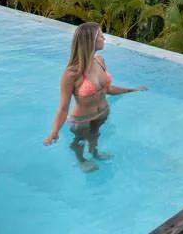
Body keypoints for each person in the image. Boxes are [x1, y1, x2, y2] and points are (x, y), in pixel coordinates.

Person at [43, 22, 147, 172]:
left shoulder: (100, 60)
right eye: (100, 35)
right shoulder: (71, 73)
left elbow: (108, 89)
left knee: (95, 135)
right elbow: (63, 108)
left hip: (102, 114)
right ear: (90, 41)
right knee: (79, 141)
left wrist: (131, 90)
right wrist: (54, 132)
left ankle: (95, 153)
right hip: (82, 121)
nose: (104, 38)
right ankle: (81, 159)